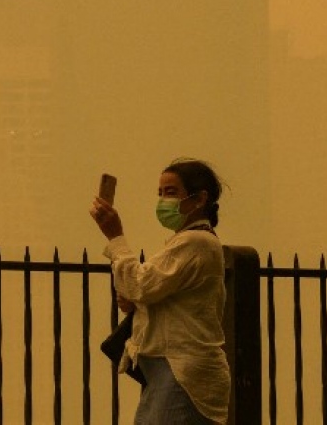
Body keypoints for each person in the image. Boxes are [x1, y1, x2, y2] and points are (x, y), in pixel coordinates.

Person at [89, 158, 230, 425]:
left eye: (171, 192)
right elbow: (160, 296)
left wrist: (115, 236)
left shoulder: (196, 242)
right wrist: (136, 303)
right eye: (161, 193)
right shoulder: (186, 242)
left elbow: (141, 285)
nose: (163, 201)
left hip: (181, 374)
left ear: (199, 199)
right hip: (168, 373)